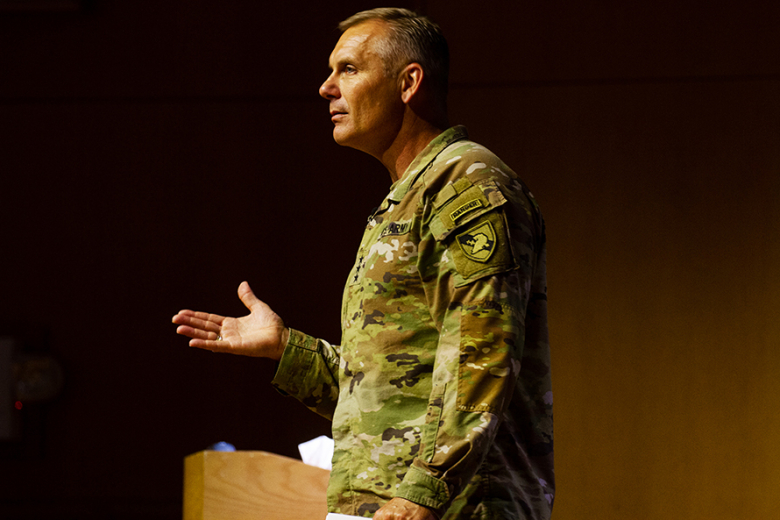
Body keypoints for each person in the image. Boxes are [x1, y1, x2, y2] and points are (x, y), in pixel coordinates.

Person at [173, 8, 554, 520]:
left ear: (408, 82)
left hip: (456, 507)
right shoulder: (406, 197)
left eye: (349, 69)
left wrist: (422, 490)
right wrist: (286, 349)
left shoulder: (465, 183)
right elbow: (387, 390)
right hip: (385, 505)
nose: (327, 87)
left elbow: (480, 355)